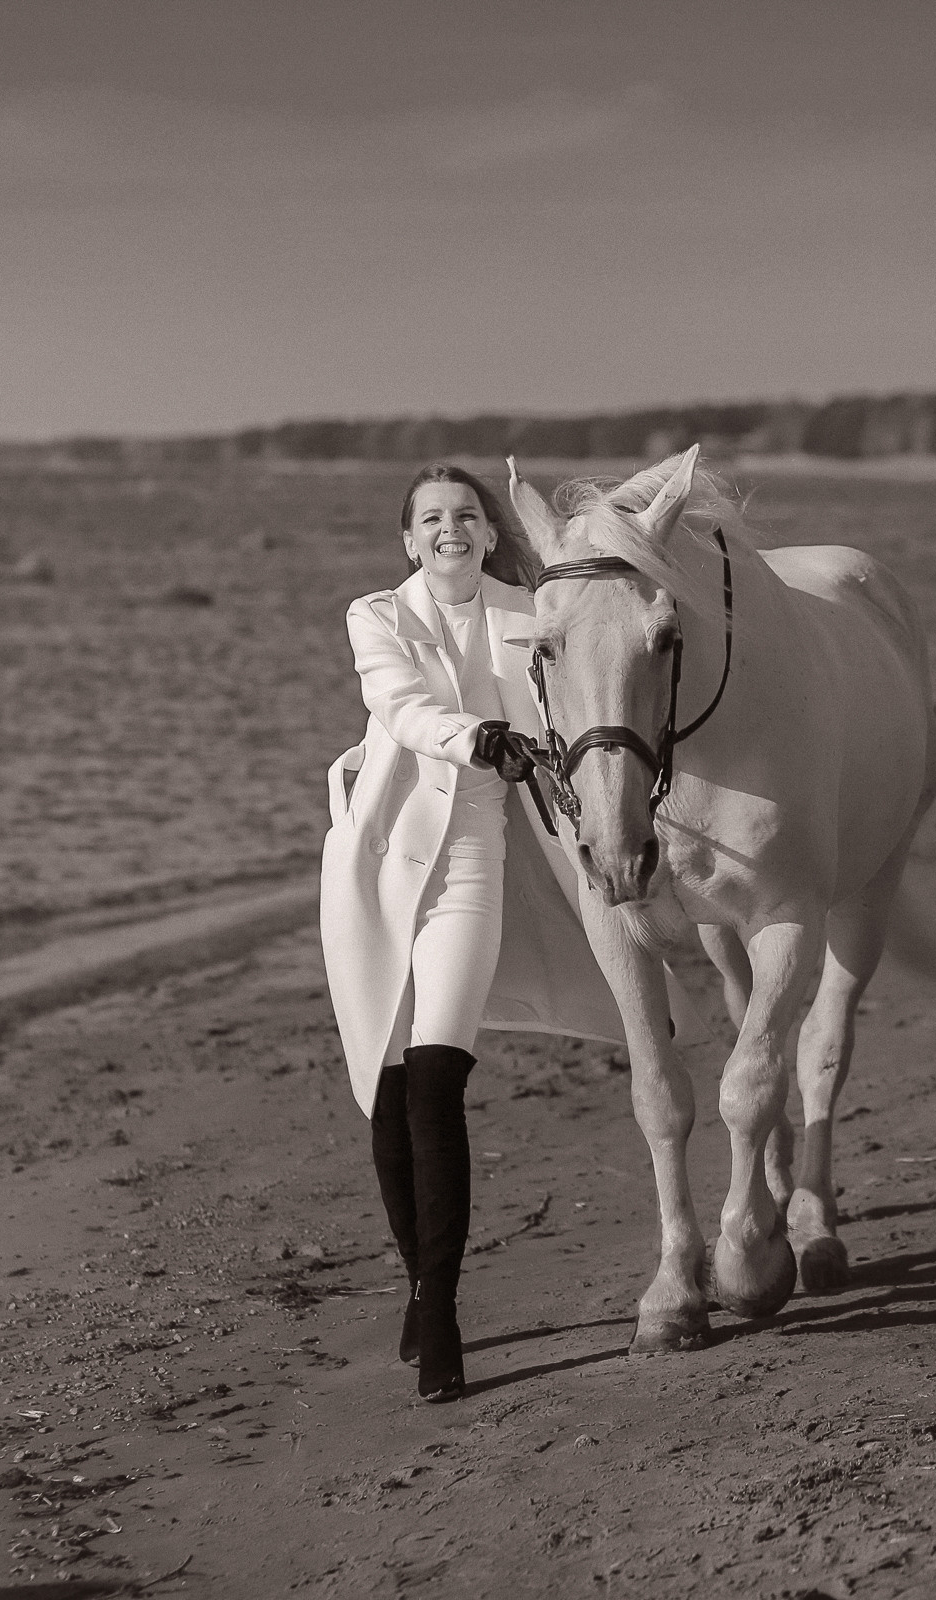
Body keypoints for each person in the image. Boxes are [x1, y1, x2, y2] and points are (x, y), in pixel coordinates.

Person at [318, 462, 646, 1402]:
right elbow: (399, 707)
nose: (450, 529)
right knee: (383, 1094)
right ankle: (418, 1283)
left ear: (489, 533)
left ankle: (447, 1311)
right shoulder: (376, 616)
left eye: (466, 514)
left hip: (471, 861)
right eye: (431, 519)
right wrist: (482, 738)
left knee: (435, 1079)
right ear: (409, 540)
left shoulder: (531, 611)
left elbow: (589, 694)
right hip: (377, 864)